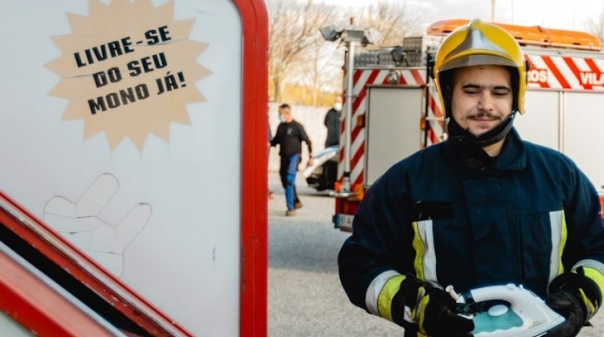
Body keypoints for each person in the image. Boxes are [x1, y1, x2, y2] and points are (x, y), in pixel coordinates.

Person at [338, 19, 604, 337]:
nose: (485, 105)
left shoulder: (560, 177)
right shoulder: (407, 181)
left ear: (516, 97)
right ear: (448, 94)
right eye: (471, 90)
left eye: (499, 91)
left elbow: (598, 252)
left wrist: (578, 299)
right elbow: (361, 263)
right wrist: (419, 307)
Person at [271, 103, 314, 216]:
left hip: (294, 157)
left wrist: (311, 156)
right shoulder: (280, 127)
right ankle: (296, 200)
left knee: (290, 179)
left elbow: (307, 141)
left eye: (280, 113)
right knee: (284, 181)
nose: (279, 115)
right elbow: (275, 141)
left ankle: (291, 208)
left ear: (287, 113)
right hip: (283, 157)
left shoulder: (297, 126)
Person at [321, 95, 343, 190]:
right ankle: (327, 184)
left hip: (340, 143)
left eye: (338, 101)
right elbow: (325, 123)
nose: (336, 103)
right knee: (328, 164)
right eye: (335, 101)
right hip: (330, 142)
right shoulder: (330, 113)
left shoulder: (343, 113)